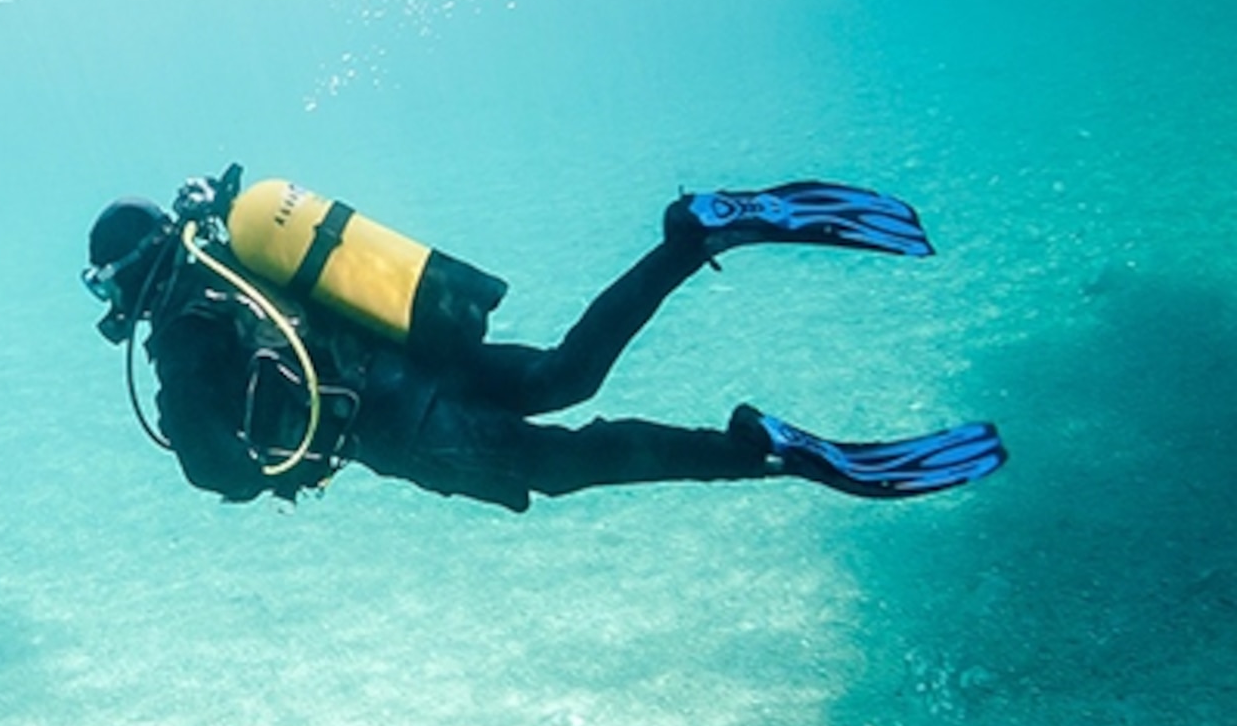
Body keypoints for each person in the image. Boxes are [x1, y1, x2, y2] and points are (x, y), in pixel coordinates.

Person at [82, 169, 1007, 511]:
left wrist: (258, 475)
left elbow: (214, 468)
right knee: (570, 369)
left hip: (407, 426)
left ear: (126, 276)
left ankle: (763, 454)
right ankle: (693, 235)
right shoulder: (235, 257)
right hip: (424, 356)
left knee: (568, 464)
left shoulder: (184, 329)